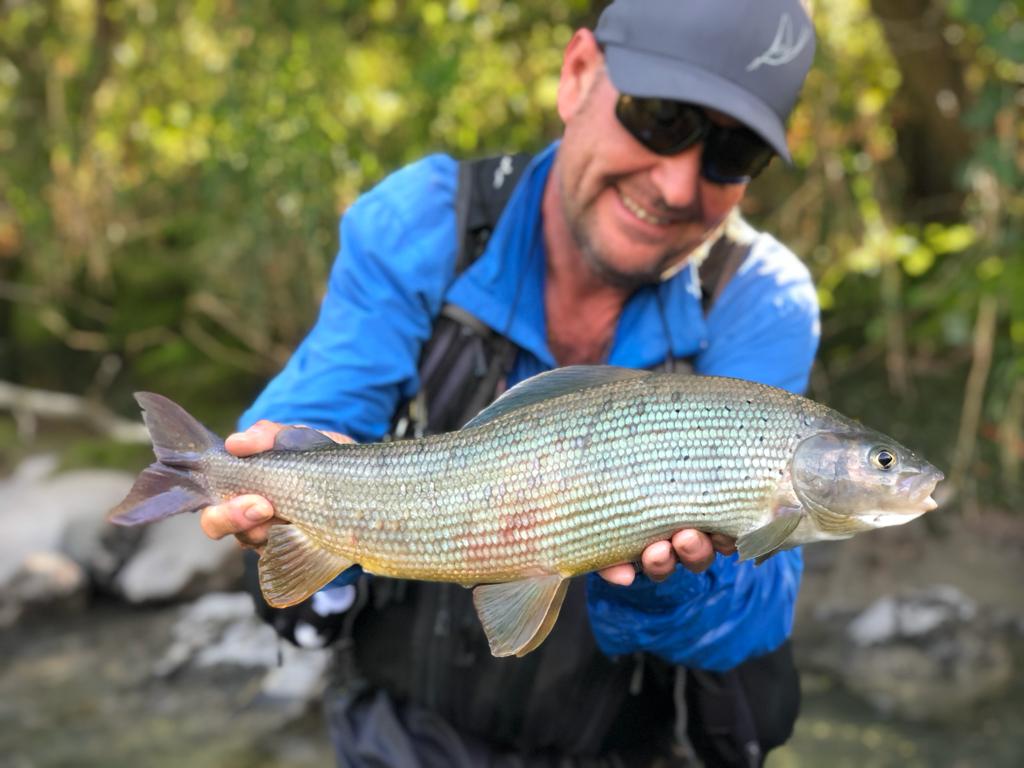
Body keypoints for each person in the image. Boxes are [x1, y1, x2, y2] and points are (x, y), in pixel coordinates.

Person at [201, 0, 819, 765]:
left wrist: (667, 581)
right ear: (578, 74)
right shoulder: (425, 219)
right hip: (401, 737)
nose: (676, 182)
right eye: (660, 118)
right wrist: (288, 465)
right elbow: (323, 398)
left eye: (733, 155)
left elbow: (763, 613)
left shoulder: (762, 300)